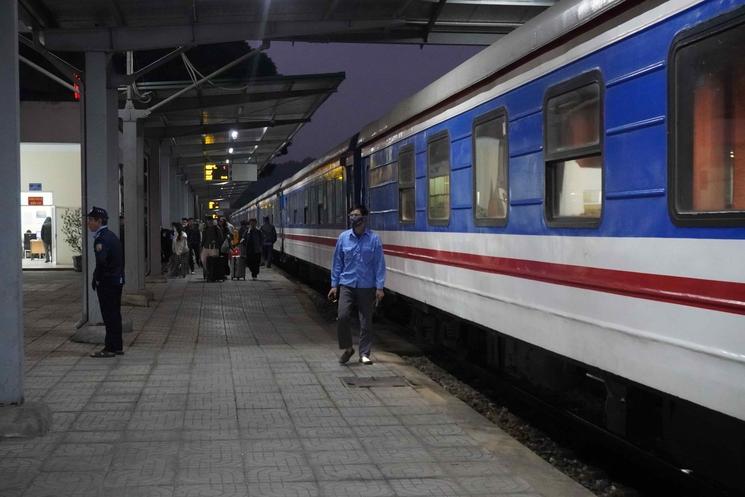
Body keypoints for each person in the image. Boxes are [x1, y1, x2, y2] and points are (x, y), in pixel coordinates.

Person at [328, 205, 385, 365]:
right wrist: (334, 284)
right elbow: (337, 262)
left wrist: (380, 287)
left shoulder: (374, 239)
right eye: (351, 214)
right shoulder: (343, 238)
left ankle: (364, 353)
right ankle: (347, 347)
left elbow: (379, 264)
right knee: (343, 316)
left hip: (367, 286)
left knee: (366, 321)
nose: (352, 217)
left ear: (364, 218)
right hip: (347, 284)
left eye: (356, 215)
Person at [87, 206, 124, 358]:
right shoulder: (111, 235)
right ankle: (117, 346)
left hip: (108, 282)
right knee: (115, 314)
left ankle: (110, 348)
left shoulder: (101, 238)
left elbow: (101, 262)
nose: (89, 223)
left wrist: (98, 279)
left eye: (91, 220)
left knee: (109, 315)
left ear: (99, 221)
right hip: (116, 280)